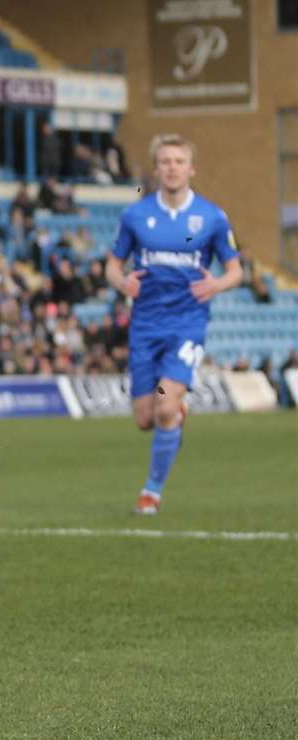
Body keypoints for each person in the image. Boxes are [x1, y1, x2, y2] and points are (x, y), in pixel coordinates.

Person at [104, 134, 241, 515]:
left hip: (187, 324)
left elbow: (235, 271)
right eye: (165, 161)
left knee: (164, 406)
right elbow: (113, 265)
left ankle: (151, 492)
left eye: (179, 161)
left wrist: (215, 284)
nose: (172, 167)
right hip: (145, 326)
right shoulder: (135, 216)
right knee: (146, 419)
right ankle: (175, 415)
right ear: (156, 168)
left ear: (191, 168)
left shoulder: (212, 217)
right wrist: (122, 281)